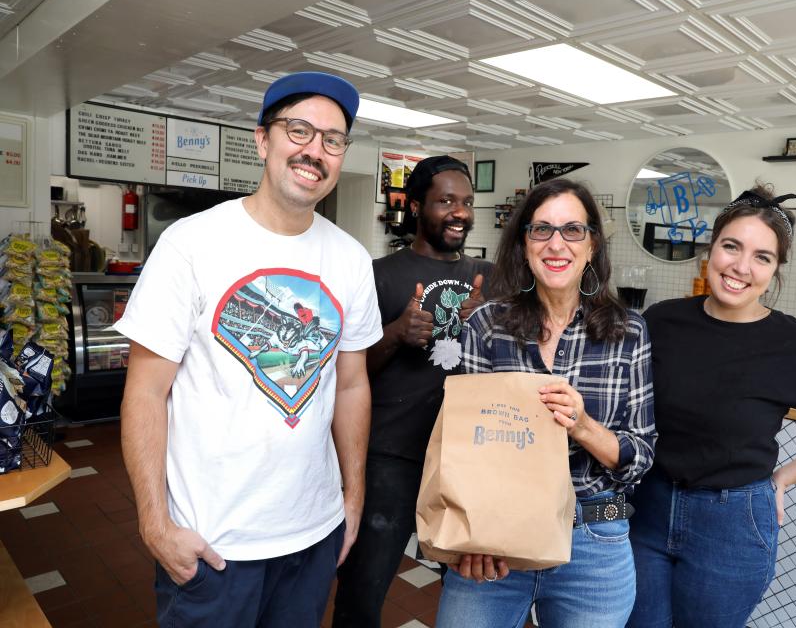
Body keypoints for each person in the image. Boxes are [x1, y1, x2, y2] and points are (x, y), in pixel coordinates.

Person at [116, 71, 383, 627]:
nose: (316, 151)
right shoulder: (190, 243)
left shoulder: (351, 259)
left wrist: (352, 499)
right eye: (300, 131)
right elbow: (145, 392)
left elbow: (352, 384)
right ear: (263, 139)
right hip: (215, 543)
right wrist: (154, 523)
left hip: (312, 535)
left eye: (333, 140)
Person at [626, 186, 796, 628]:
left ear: (776, 269)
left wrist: (784, 478)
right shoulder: (663, 320)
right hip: (647, 508)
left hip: (732, 525)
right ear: (711, 249)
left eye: (762, 256)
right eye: (731, 247)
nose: (741, 266)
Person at [435, 178, 657, 628]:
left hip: (594, 538)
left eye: (573, 230)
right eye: (542, 230)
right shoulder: (486, 325)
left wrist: (582, 425)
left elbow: (640, 459)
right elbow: (464, 451)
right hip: (495, 539)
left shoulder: (628, 331)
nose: (557, 244)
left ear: (592, 245)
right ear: (524, 244)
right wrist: (473, 535)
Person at [332, 155, 492, 627]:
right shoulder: (377, 274)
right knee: (365, 587)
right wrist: (397, 332)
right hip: (390, 456)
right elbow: (348, 371)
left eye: (466, 202)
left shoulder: (491, 277)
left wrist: (486, 322)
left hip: (463, 457)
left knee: (471, 588)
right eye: (445, 201)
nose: (459, 212)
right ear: (417, 206)